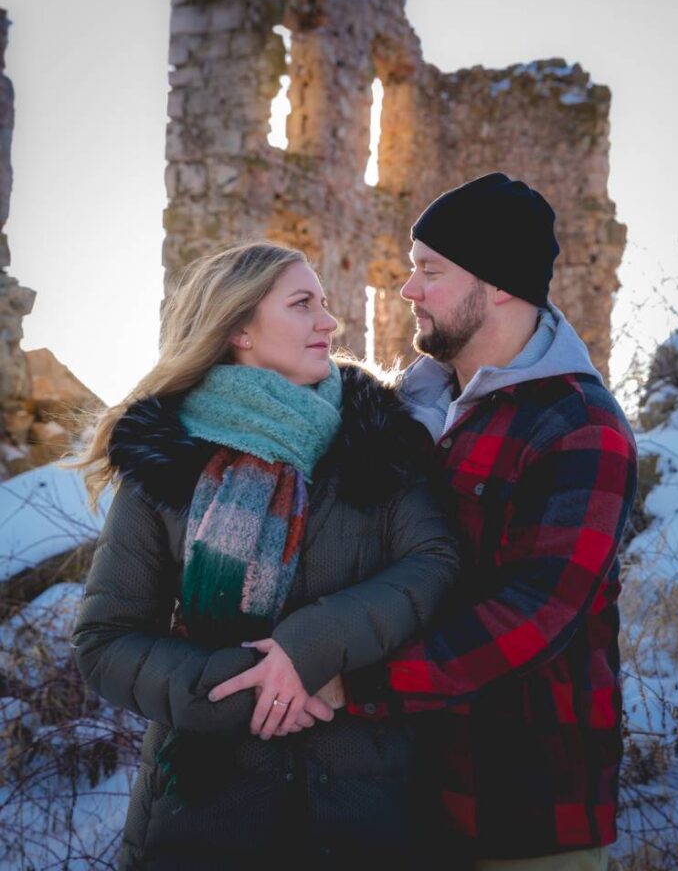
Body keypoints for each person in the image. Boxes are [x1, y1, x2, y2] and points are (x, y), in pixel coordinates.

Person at [71, 241, 459, 871]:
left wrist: (311, 647)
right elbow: (106, 640)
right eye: (303, 304)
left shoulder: (376, 435)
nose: (330, 324)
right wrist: (248, 690)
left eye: (325, 305)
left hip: (370, 817)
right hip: (206, 820)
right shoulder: (165, 460)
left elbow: (433, 563)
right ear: (239, 329)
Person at [337, 173, 638, 871]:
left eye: (428, 271)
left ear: (498, 284)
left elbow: (530, 617)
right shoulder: (406, 410)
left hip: (522, 814)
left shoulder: (578, 426)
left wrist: (353, 683)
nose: (407, 289)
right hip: (393, 793)